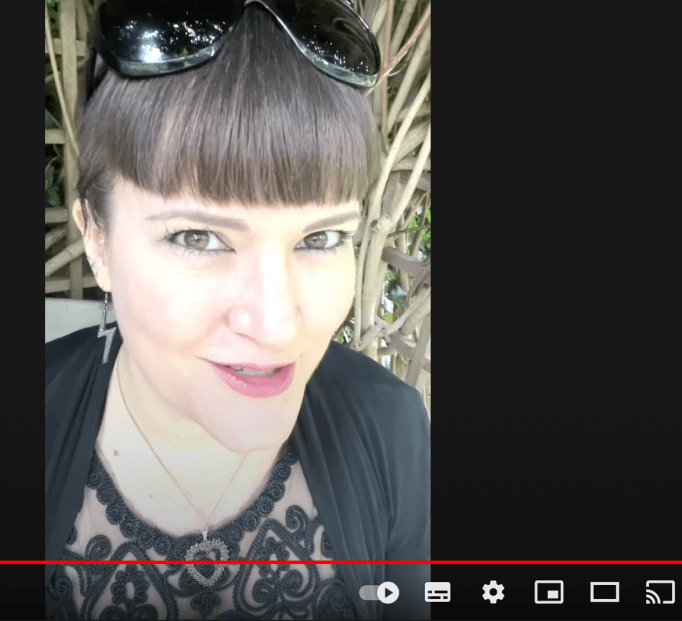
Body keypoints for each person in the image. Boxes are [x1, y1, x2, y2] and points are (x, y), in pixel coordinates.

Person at [45, 1, 430, 618]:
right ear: (97, 240)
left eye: (321, 238)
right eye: (198, 238)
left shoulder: (394, 429)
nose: (277, 327)